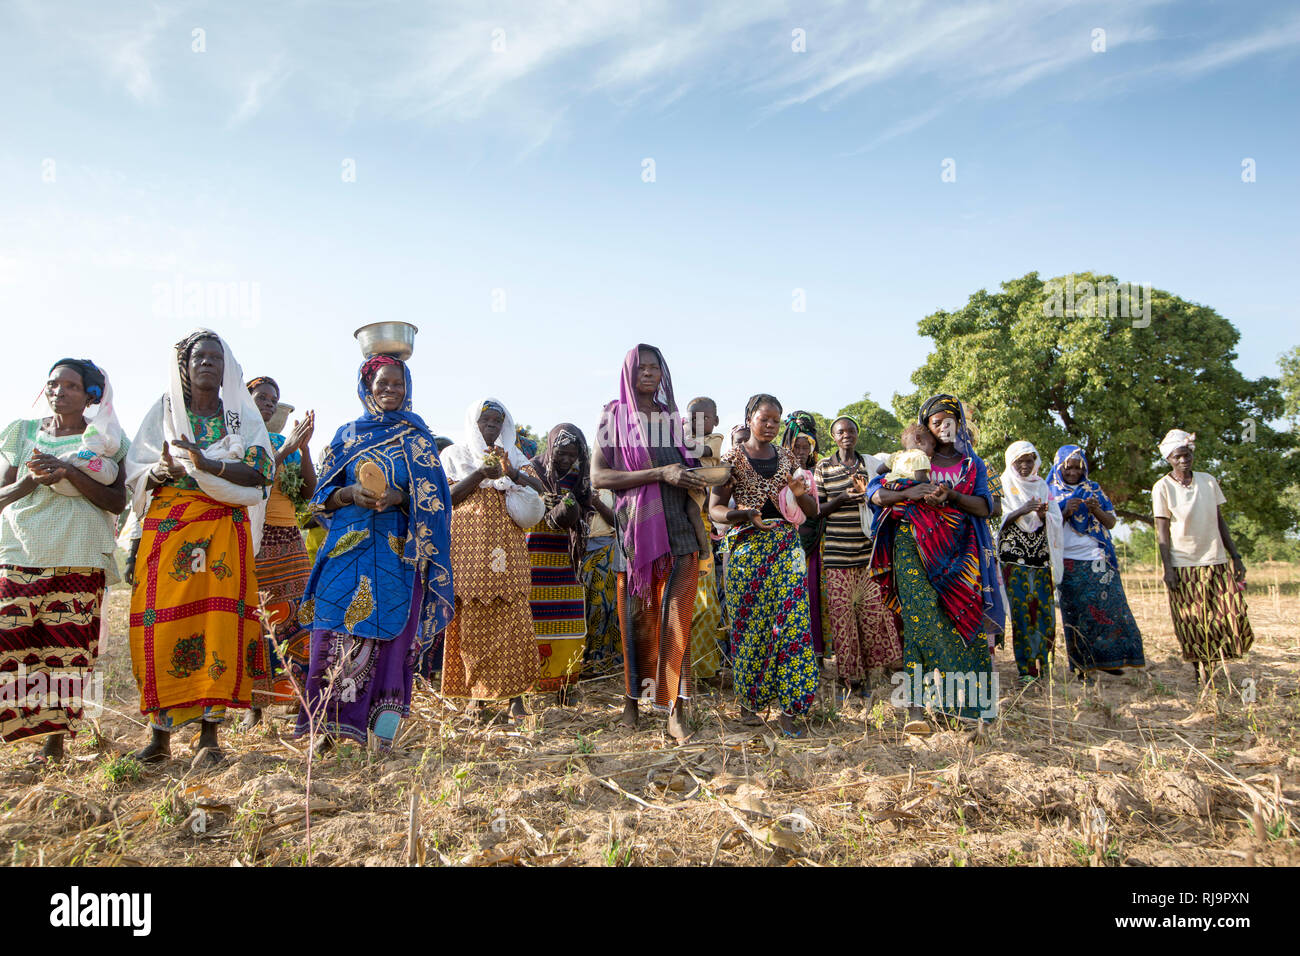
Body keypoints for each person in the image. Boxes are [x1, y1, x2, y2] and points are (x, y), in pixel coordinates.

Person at [124, 330, 274, 763]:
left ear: (226, 368)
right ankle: (160, 735)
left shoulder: (242, 417)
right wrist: (163, 469)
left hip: (223, 529)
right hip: (170, 528)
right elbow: (137, 470)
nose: (207, 363)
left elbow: (261, 471)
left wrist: (209, 465)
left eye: (215, 357)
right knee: (161, 623)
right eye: (198, 358)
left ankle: (210, 735)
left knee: (218, 624)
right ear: (184, 369)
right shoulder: (166, 413)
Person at [295, 355, 454, 750]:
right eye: (382, 383)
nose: (390, 390)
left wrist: (399, 497)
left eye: (397, 383)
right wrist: (350, 494)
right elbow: (319, 499)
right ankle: (324, 732)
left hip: (396, 555)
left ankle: (381, 737)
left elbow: (437, 503)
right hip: (346, 550)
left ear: (408, 388)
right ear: (367, 386)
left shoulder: (419, 440)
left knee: (392, 642)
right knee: (330, 632)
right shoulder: (346, 435)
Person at [0, 359, 128, 763]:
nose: (59, 391)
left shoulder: (106, 439)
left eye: (70, 386)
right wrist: (30, 481)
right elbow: (1, 496)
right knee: (9, 647)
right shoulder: (22, 432)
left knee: (66, 652)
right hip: (21, 553)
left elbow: (117, 501)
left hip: (79, 556)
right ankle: (15, 732)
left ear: (90, 395)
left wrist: (70, 472)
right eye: (53, 384)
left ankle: (52, 745)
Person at [591, 345, 706, 743]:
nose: (649, 373)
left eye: (656, 367)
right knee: (637, 621)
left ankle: (673, 709)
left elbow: (686, 472)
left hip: (679, 530)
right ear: (628, 371)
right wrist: (662, 472)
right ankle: (631, 701)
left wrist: (694, 476)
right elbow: (599, 478)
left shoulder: (672, 420)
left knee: (678, 620)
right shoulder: (613, 417)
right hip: (636, 534)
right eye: (641, 367)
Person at [867, 395, 1003, 730]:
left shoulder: (973, 465)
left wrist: (952, 496)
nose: (944, 426)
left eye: (950, 420)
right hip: (912, 546)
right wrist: (907, 494)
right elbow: (875, 491)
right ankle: (915, 708)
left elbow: (987, 507)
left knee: (964, 621)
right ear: (925, 426)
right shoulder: (907, 457)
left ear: (960, 424)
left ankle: (967, 709)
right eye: (936, 421)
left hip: (963, 552)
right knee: (919, 620)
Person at [710, 394, 820, 737]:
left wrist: (800, 493)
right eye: (764, 419)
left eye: (776, 421)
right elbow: (714, 509)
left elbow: (813, 513)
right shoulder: (731, 460)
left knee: (792, 623)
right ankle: (750, 705)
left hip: (786, 546)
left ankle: (790, 709)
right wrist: (741, 514)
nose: (770, 426)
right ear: (750, 419)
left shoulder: (788, 459)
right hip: (747, 549)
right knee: (750, 626)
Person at [440, 398, 545, 720]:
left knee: (514, 615)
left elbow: (540, 486)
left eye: (497, 421)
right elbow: (448, 498)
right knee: (472, 616)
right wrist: (480, 475)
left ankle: (516, 700)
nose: (491, 426)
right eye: (486, 420)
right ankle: (477, 696)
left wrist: (510, 472)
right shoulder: (454, 455)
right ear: (474, 422)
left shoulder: (512, 455)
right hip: (469, 547)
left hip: (507, 545)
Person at [239, 377, 317, 728]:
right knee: (253, 621)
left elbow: (309, 492)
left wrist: (305, 448)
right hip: (253, 539)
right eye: (261, 398)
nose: (268, 404)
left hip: (289, 539)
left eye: (273, 399)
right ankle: (252, 706)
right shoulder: (241, 441)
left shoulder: (282, 442)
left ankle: (299, 698)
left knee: (297, 619)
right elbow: (254, 478)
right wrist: (287, 448)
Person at [1152, 429, 1252, 682]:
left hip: (1215, 559)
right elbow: (1162, 532)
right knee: (1192, 621)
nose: (1183, 460)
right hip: (1183, 563)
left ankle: (1217, 662)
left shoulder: (1208, 481)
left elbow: (1220, 521)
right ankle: (1201, 671)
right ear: (1169, 459)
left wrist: (1236, 556)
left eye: (1186, 455)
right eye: (1178, 456)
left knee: (1229, 614)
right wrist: (1168, 568)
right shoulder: (1162, 487)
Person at [815, 416, 900, 696]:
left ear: (857, 435)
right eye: (841, 431)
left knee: (871, 616)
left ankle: (868, 676)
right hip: (838, 556)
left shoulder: (870, 465)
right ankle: (849, 679)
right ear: (834, 437)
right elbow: (817, 510)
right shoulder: (824, 467)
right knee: (842, 620)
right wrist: (841, 499)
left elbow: (885, 494)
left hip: (868, 553)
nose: (847, 435)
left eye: (851, 430)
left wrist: (867, 495)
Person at [1047, 444, 1145, 679]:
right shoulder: (1049, 491)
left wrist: (1096, 510)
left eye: (1078, 468)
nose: (1073, 473)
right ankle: (1082, 668)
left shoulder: (1094, 489)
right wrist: (1064, 511)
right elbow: (1044, 527)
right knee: (1076, 615)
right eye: (1068, 468)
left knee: (1109, 610)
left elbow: (1111, 522)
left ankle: (1110, 660)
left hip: (1097, 559)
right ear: (1059, 467)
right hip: (1067, 560)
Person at [526, 423, 592, 704]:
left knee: (569, 620)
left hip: (567, 558)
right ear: (550, 448)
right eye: (561, 453)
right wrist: (541, 501)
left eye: (573, 453)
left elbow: (587, 509)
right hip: (534, 556)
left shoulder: (580, 476)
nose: (566, 459)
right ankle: (532, 684)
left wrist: (573, 509)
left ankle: (566, 685)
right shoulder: (531, 471)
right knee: (534, 622)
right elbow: (517, 505)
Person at [998, 441, 1063, 683]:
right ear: (1011, 463)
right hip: (1014, 561)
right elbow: (998, 521)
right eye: (1020, 461)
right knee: (1022, 615)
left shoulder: (1042, 486)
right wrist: (1023, 509)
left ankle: (1045, 666)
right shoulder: (1004, 484)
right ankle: (1027, 670)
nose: (1025, 466)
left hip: (1040, 560)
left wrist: (1044, 515)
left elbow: (1054, 518)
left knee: (1044, 614)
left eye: (1029, 460)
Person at [684, 397, 725, 682]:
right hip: (684, 521)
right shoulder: (679, 442)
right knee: (692, 605)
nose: (697, 423)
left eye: (703, 417)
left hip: (705, 523)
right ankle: (689, 670)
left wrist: (675, 437)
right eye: (691, 418)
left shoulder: (716, 439)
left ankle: (704, 668)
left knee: (709, 607)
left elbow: (703, 450)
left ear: (715, 420)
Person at [780, 411, 826, 661]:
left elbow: (817, 510)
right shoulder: (780, 469)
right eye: (796, 445)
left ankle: (816, 653)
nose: (800, 451)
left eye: (805, 446)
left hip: (815, 542)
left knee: (813, 596)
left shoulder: (818, 470)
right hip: (789, 542)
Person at [580, 487, 622, 675]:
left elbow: (619, 521)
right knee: (579, 608)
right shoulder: (574, 479)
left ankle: (598, 662)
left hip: (604, 550)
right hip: (575, 551)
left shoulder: (612, 485)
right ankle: (576, 663)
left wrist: (596, 502)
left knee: (601, 607)